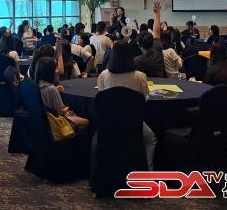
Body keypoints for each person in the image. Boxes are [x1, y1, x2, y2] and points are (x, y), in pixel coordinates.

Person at [97, 41, 156, 170]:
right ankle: (147, 171)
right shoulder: (140, 76)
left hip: (109, 122)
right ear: (131, 55)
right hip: (133, 122)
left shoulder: (104, 75)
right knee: (151, 139)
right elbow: (144, 98)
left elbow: (102, 96)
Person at [36, 55, 88, 130]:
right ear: (50, 72)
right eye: (55, 69)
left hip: (44, 122)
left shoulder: (36, 85)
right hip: (57, 122)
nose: (57, 71)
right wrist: (67, 110)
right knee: (86, 121)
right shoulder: (51, 89)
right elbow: (60, 112)